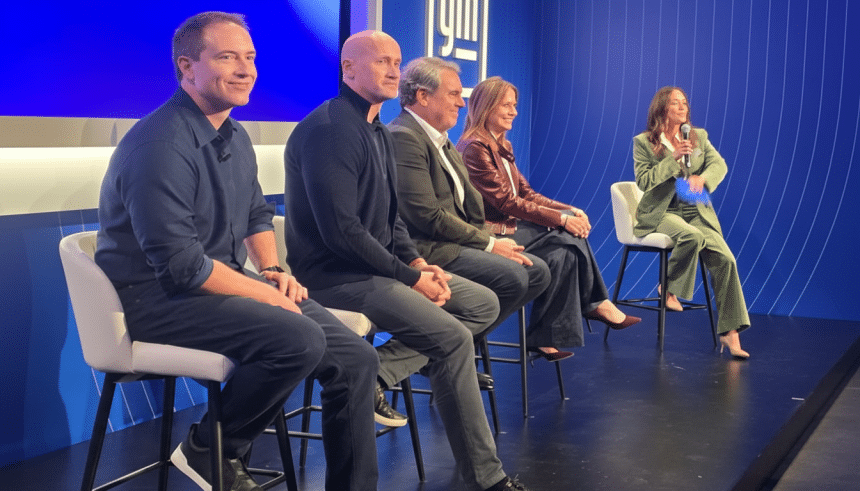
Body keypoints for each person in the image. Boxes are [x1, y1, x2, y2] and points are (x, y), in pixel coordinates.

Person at [95, 12, 379, 491]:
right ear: (187, 66)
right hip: (158, 302)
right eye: (228, 57)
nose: (246, 69)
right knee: (298, 338)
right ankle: (208, 450)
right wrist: (264, 294)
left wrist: (270, 269)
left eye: (250, 58)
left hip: (218, 286)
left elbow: (255, 216)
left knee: (357, 360)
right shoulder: (159, 143)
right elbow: (182, 267)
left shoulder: (235, 135)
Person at [285, 30, 531, 491]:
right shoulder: (330, 129)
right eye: (381, 60)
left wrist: (416, 265)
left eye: (397, 60)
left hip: (376, 271)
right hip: (334, 278)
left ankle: (382, 372)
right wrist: (409, 277)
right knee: (453, 337)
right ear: (348, 68)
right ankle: (487, 478)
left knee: (477, 306)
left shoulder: (377, 130)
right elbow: (343, 234)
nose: (393, 69)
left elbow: (391, 220)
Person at [389, 57, 561, 361]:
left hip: (455, 242)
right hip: (428, 249)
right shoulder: (405, 137)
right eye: (453, 94)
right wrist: (491, 243)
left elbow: (472, 207)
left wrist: (489, 239)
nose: (461, 103)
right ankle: (439, 352)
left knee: (539, 271)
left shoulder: (441, 141)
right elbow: (426, 215)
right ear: (423, 96)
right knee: (518, 276)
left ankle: (447, 351)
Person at [457, 76, 641, 353]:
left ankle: (546, 337)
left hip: (510, 227)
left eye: (515, 105)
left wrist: (567, 210)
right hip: (491, 233)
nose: (514, 112)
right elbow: (507, 202)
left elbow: (527, 194)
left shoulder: (502, 146)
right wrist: (562, 219)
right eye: (506, 105)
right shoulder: (474, 148)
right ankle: (596, 304)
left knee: (563, 253)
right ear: (486, 106)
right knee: (567, 234)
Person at [631, 86, 751, 358]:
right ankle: (668, 287)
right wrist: (672, 160)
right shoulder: (644, 142)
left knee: (726, 260)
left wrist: (703, 178)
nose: (682, 107)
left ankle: (730, 332)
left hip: (695, 209)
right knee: (691, 237)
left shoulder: (698, 137)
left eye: (684, 102)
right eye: (675, 103)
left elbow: (719, 164)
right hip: (663, 211)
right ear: (662, 108)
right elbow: (644, 181)